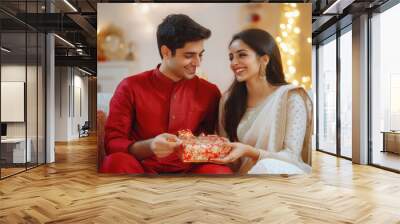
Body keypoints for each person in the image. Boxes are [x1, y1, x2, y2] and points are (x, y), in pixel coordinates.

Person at [100, 14, 232, 174]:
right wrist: (149, 146)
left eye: (200, 54)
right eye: (189, 55)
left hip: (190, 171)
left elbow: (209, 138)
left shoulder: (209, 92)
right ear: (166, 52)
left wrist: (209, 145)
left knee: (219, 172)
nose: (197, 63)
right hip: (141, 169)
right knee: (115, 163)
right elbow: (112, 143)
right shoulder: (130, 87)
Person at [213, 29, 313, 174]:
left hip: (282, 176)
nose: (234, 63)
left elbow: (292, 157)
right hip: (242, 179)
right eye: (231, 57)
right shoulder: (228, 101)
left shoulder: (291, 98)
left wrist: (250, 152)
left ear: (264, 59)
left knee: (265, 167)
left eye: (242, 55)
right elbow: (226, 151)